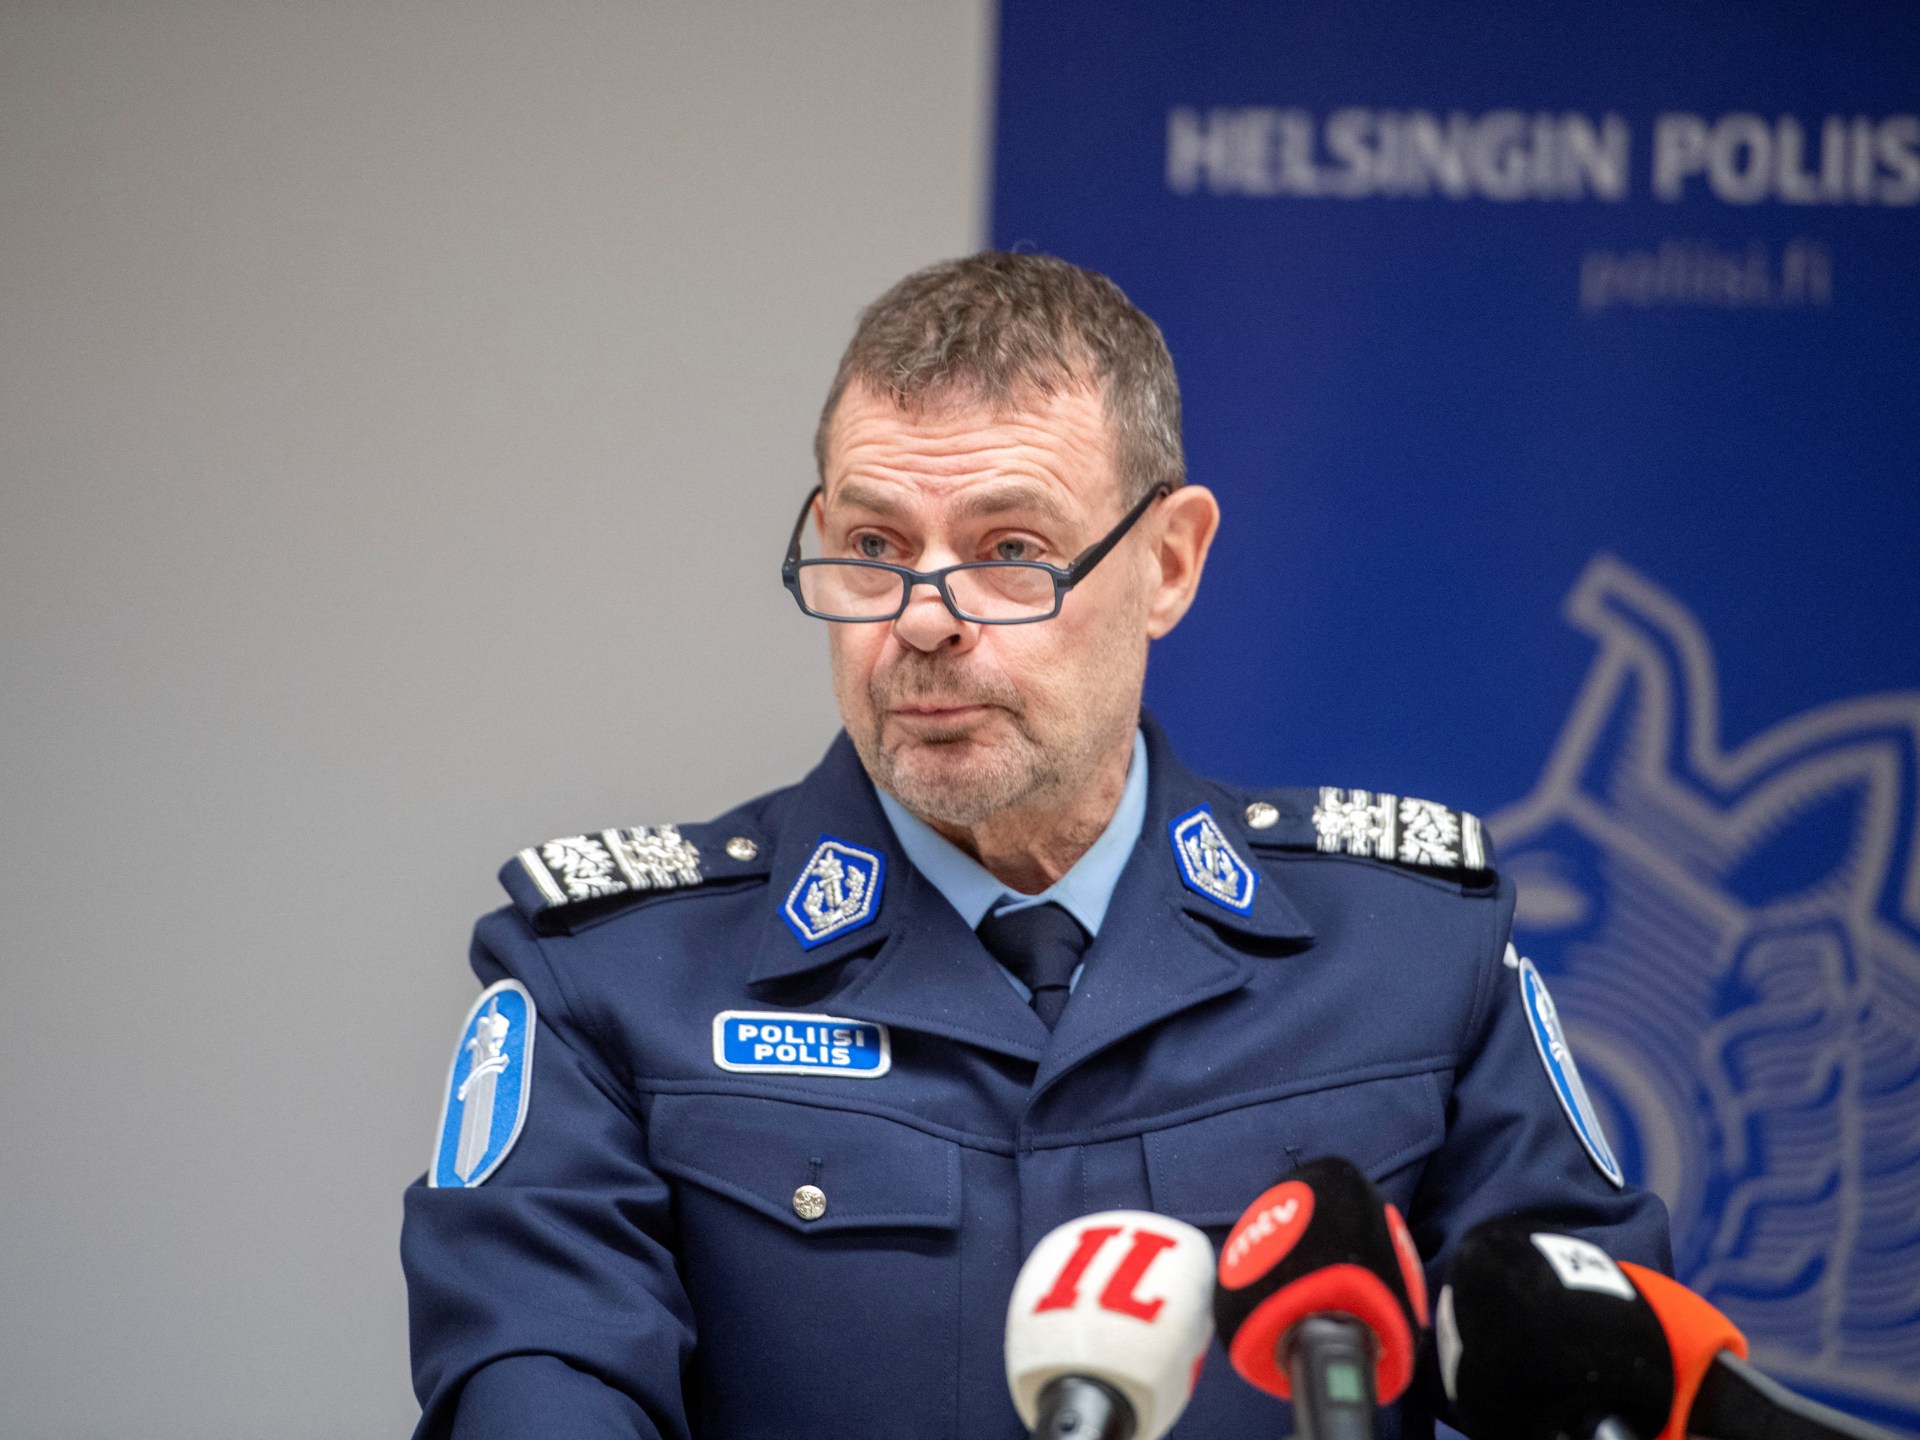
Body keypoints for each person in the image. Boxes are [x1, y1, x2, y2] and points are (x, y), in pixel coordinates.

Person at [402, 252, 1670, 1440]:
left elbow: (1601, 1379)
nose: (924, 620)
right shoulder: (610, 983)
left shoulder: (1412, 960)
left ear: (1169, 563)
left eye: (1011, 552)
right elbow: (536, 1387)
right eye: (874, 547)